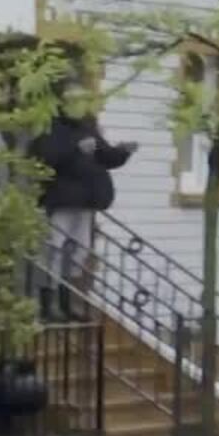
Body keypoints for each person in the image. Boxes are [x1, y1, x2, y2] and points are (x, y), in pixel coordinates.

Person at [31, 84, 138, 320]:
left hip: (86, 202)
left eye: (84, 101)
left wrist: (122, 152)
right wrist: (74, 150)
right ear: (65, 104)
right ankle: (47, 305)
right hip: (60, 201)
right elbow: (45, 159)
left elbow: (104, 156)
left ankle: (67, 301)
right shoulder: (52, 128)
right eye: (76, 102)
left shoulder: (87, 128)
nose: (81, 106)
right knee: (54, 250)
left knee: (80, 251)